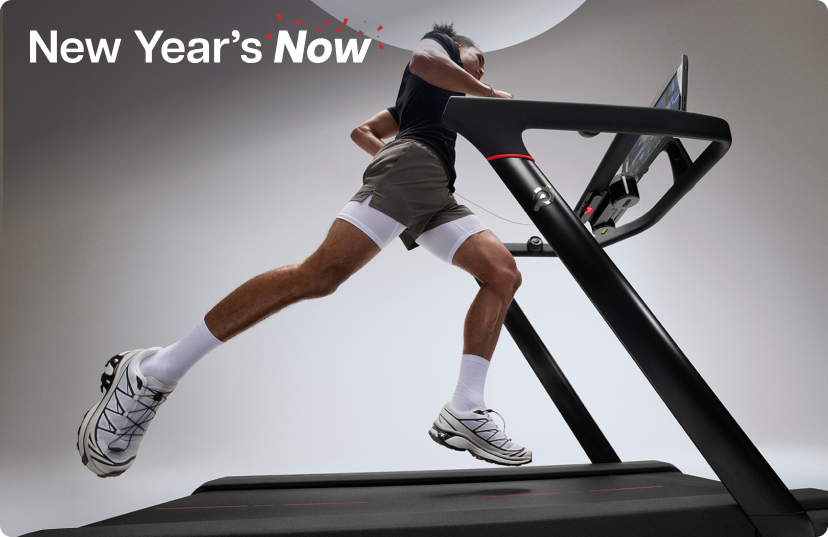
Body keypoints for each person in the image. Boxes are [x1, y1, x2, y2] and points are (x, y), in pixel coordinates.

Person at [77, 22, 531, 478]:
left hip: (434, 189)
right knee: (319, 276)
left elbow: (362, 130)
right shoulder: (439, 51)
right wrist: (484, 95)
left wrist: (388, 150)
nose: (482, 67)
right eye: (479, 59)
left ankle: (466, 408)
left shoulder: (417, 102)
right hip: (411, 168)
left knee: (502, 274)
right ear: (459, 51)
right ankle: (156, 369)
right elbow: (424, 61)